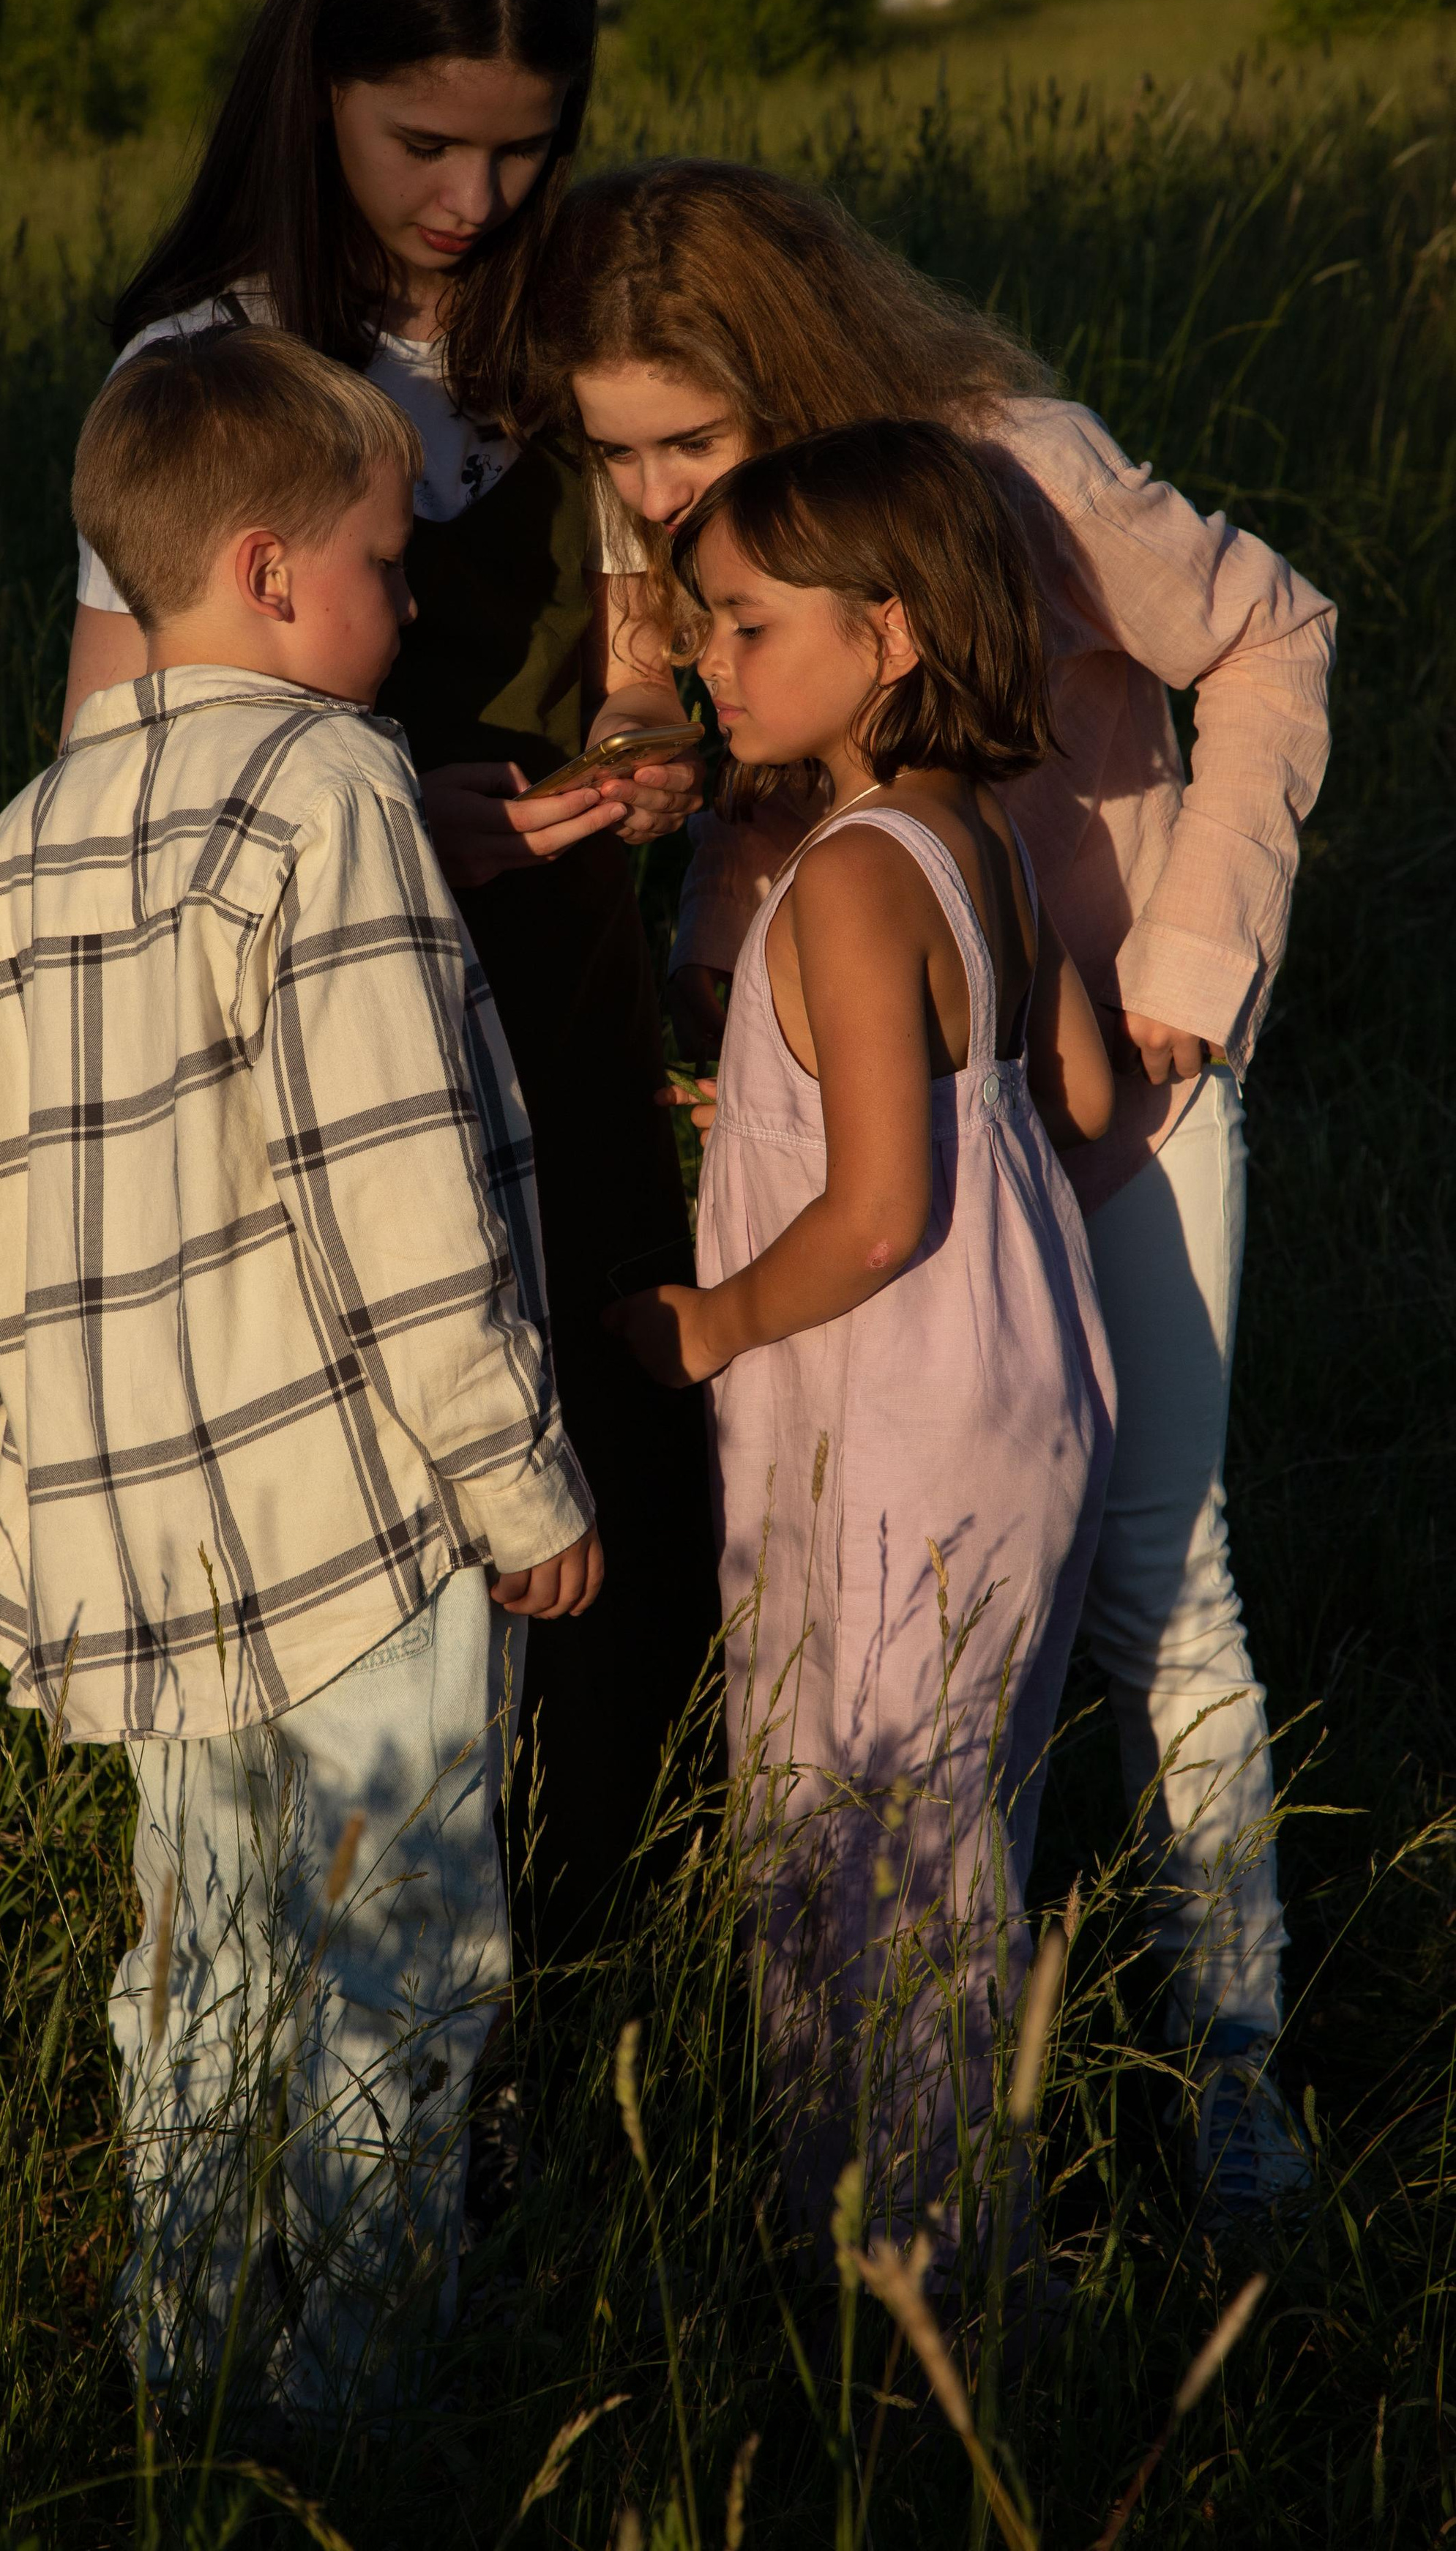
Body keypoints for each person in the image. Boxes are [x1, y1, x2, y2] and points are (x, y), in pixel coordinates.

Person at [531, 159, 1334, 2216]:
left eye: (682, 440)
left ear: (784, 373)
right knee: (916, 1595)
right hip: (886, 1079)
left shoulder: (1011, 472)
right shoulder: (712, 563)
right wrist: (676, 815)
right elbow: (758, 791)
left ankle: (1226, 2069)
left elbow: (1270, 634)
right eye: (609, 453)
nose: (642, 492)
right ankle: (956, 2084)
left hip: (1114, 1065)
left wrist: (1185, 969)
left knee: (1155, 1574)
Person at [0, 324, 602, 2421]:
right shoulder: (331, 792)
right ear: (279, 571)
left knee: (196, 1954)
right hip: (358, 1513)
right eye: (394, 562)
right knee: (403, 1955)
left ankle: (180, 2351)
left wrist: (47, 1468)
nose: (411, 604)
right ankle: (360, 2397)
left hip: (134, 1535)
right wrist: (520, 1482)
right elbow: (395, 1177)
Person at [60, 0, 717, 1953]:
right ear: (314, 91)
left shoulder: (568, 328)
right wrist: (366, 817)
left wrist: (651, 734)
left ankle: (590, 1959)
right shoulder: (211, 374)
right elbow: (113, 787)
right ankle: (376, 1979)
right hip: (330, 1053)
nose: (471, 201)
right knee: (385, 1511)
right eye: (421, 140)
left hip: (570, 996)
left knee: (610, 1473)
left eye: (523, 153)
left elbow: (646, 624)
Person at [608, 421, 1116, 2256]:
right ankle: (886, 2245)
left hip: (896, 1403)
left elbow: (883, 1209)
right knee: (950, 1808)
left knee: (873, 1835)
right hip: (1023, 1386)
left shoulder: (840, 874)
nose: (706, 661)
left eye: (745, 626)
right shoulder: (972, 838)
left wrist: (711, 1312)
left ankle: (921, 2285)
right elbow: (1072, 1089)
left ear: (886, 633)